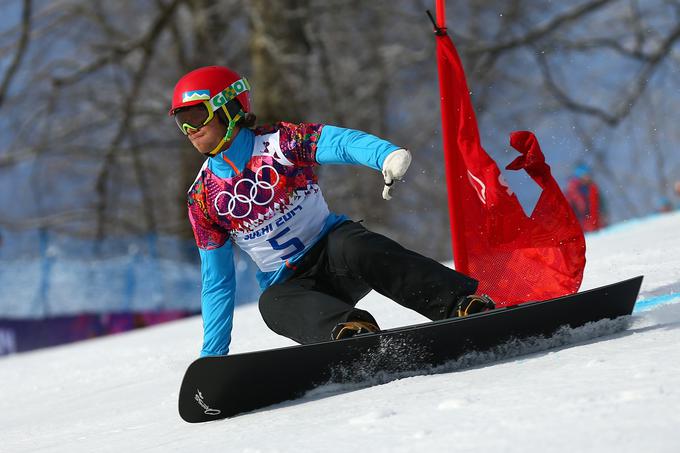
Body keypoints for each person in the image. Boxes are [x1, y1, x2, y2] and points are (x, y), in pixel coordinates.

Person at [170, 66, 494, 357]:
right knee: (271, 304)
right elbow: (217, 281)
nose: (190, 130)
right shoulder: (202, 197)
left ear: (231, 109)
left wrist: (384, 155)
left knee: (358, 245)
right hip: (293, 285)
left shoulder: (279, 143)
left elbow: (336, 141)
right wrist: (212, 356)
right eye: (182, 122)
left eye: (197, 116)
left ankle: (458, 304)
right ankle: (350, 334)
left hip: (336, 254)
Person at [565, 163, 606, 232]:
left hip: (593, 223)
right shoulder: (573, 190)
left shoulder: (592, 187)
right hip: (582, 225)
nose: (588, 177)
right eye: (585, 175)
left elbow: (599, 203)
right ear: (579, 177)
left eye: (588, 175)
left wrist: (603, 214)